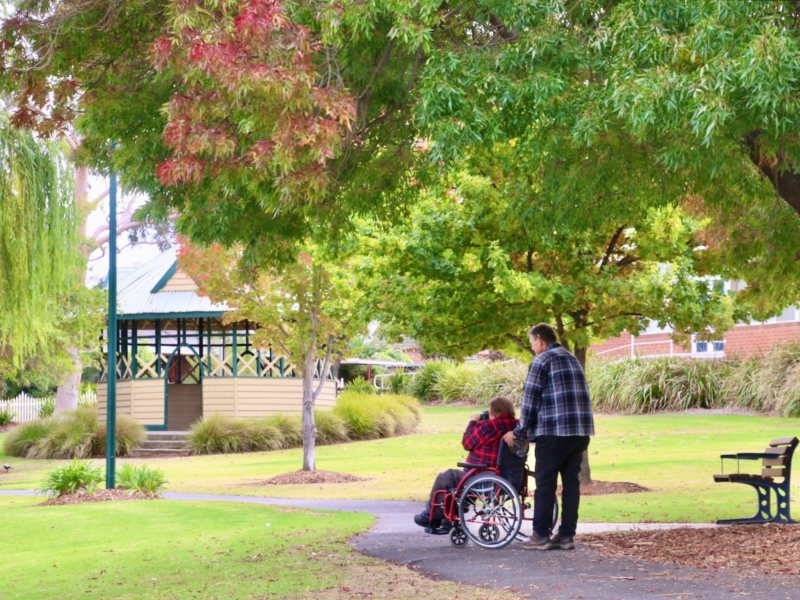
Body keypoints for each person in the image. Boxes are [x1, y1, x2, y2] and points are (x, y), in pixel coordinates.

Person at [503, 323, 595, 551]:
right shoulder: (572, 359)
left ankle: (541, 535)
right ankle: (566, 536)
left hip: (552, 433)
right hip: (579, 432)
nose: (533, 347)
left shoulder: (541, 361)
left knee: (545, 484)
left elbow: (530, 401)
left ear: (540, 341)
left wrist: (519, 432)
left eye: (533, 343)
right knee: (571, 484)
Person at [414, 396, 518, 531]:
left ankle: (432, 515)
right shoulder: (518, 427)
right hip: (509, 478)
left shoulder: (487, 426)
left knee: (446, 477)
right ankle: (448, 520)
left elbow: (467, 443)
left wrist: (473, 422)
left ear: (493, 412)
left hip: (484, 477)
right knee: (458, 481)